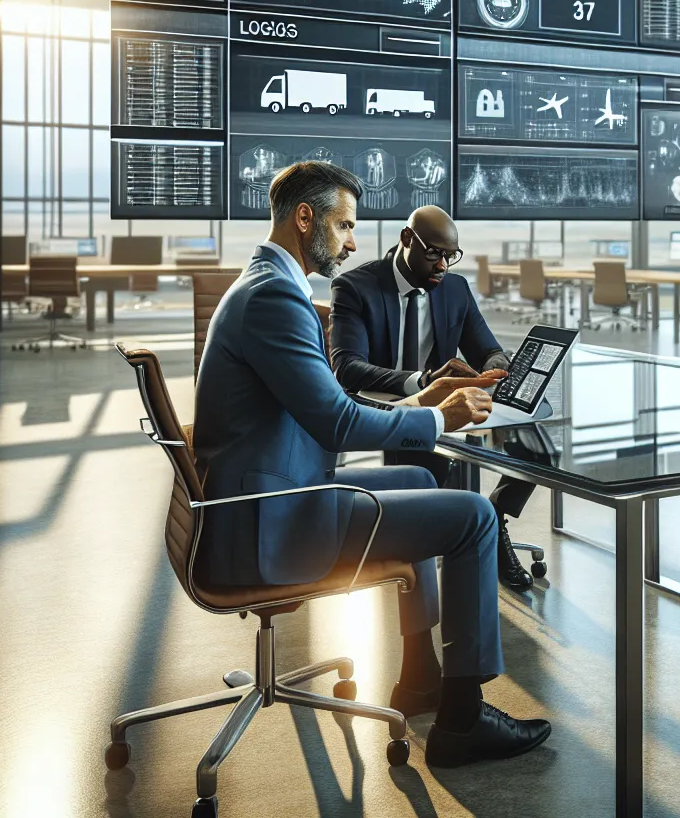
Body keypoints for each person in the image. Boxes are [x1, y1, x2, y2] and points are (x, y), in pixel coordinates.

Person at [193, 160, 550, 767]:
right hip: (269, 519)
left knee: (415, 475)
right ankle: (462, 719)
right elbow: (337, 420)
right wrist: (443, 418)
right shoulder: (276, 297)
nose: (355, 241)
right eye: (345, 225)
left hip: (272, 489)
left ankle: (420, 676)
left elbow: (327, 408)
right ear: (305, 218)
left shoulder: (265, 284)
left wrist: (421, 399)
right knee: (474, 518)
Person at [328, 205, 541, 592]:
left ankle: (493, 517)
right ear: (407, 240)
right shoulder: (355, 287)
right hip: (391, 404)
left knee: (537, 445)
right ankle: (456, 545)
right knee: (432, 462)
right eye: (434, 253)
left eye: (450, 255)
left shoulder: (455, 288)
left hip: (447, 404)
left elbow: (487, 348)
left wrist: (494, 367)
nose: (443, 264)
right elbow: (347, 367)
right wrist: (422, 381)